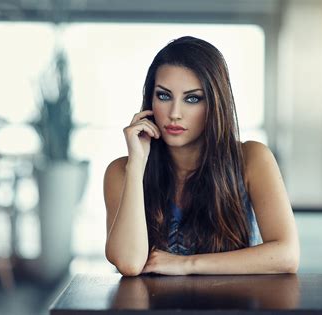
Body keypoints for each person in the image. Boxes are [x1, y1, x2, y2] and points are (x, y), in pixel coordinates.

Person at [104, 36, 299, 276]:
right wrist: (136, 166)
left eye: (192, 98)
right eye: (164, 96)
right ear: (150, 100)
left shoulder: (252, 158)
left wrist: (185, 264)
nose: (174, 113)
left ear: (215, 104)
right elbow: (129, 263)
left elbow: (287, 255)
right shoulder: (121, 171)